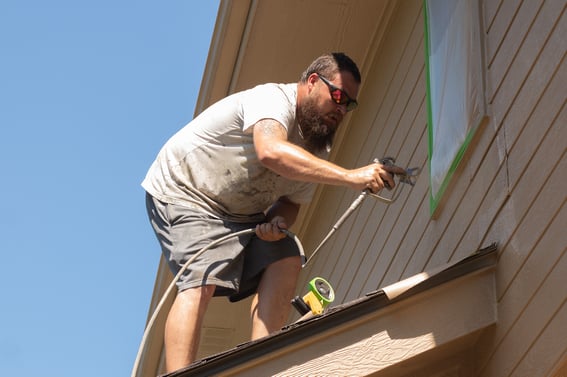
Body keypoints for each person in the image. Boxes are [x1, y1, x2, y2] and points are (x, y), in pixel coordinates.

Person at [142, 52, 395, 372]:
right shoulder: (274, 100)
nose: (342, 109)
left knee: (285, 253)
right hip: (188, 192)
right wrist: (351, 176)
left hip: (240, 212)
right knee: (202, 278)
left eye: (350, 104)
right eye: (338, 96)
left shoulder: (315, 145)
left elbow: (291, 203)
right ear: (314, 82)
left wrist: (278, 222)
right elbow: (270, 151)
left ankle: (264, 364)